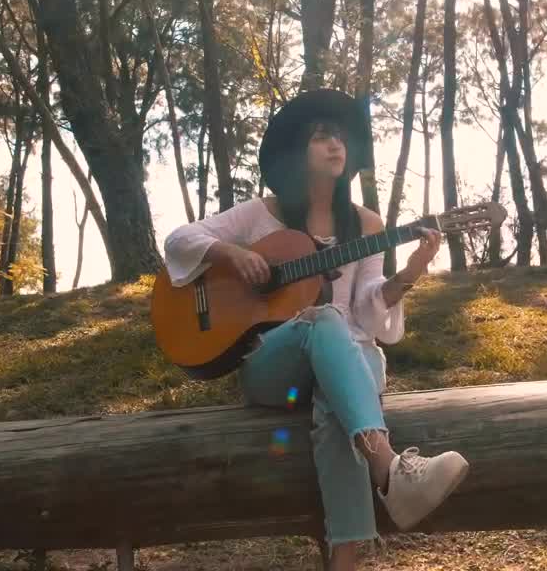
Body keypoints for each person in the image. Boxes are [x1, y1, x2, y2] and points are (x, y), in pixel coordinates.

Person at [162, 88, 470, 570]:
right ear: (295, 153)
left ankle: (345, 559)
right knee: (323, 320)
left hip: (348, 356)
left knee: (336, 392)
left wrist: (409, 273)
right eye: (322, 137)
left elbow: (369, 312)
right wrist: (235, 253)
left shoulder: (366, 223)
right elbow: (180, 239)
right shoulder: (259, 215)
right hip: (274, 365)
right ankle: (390, 470)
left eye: (342, 138)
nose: (336, 146)